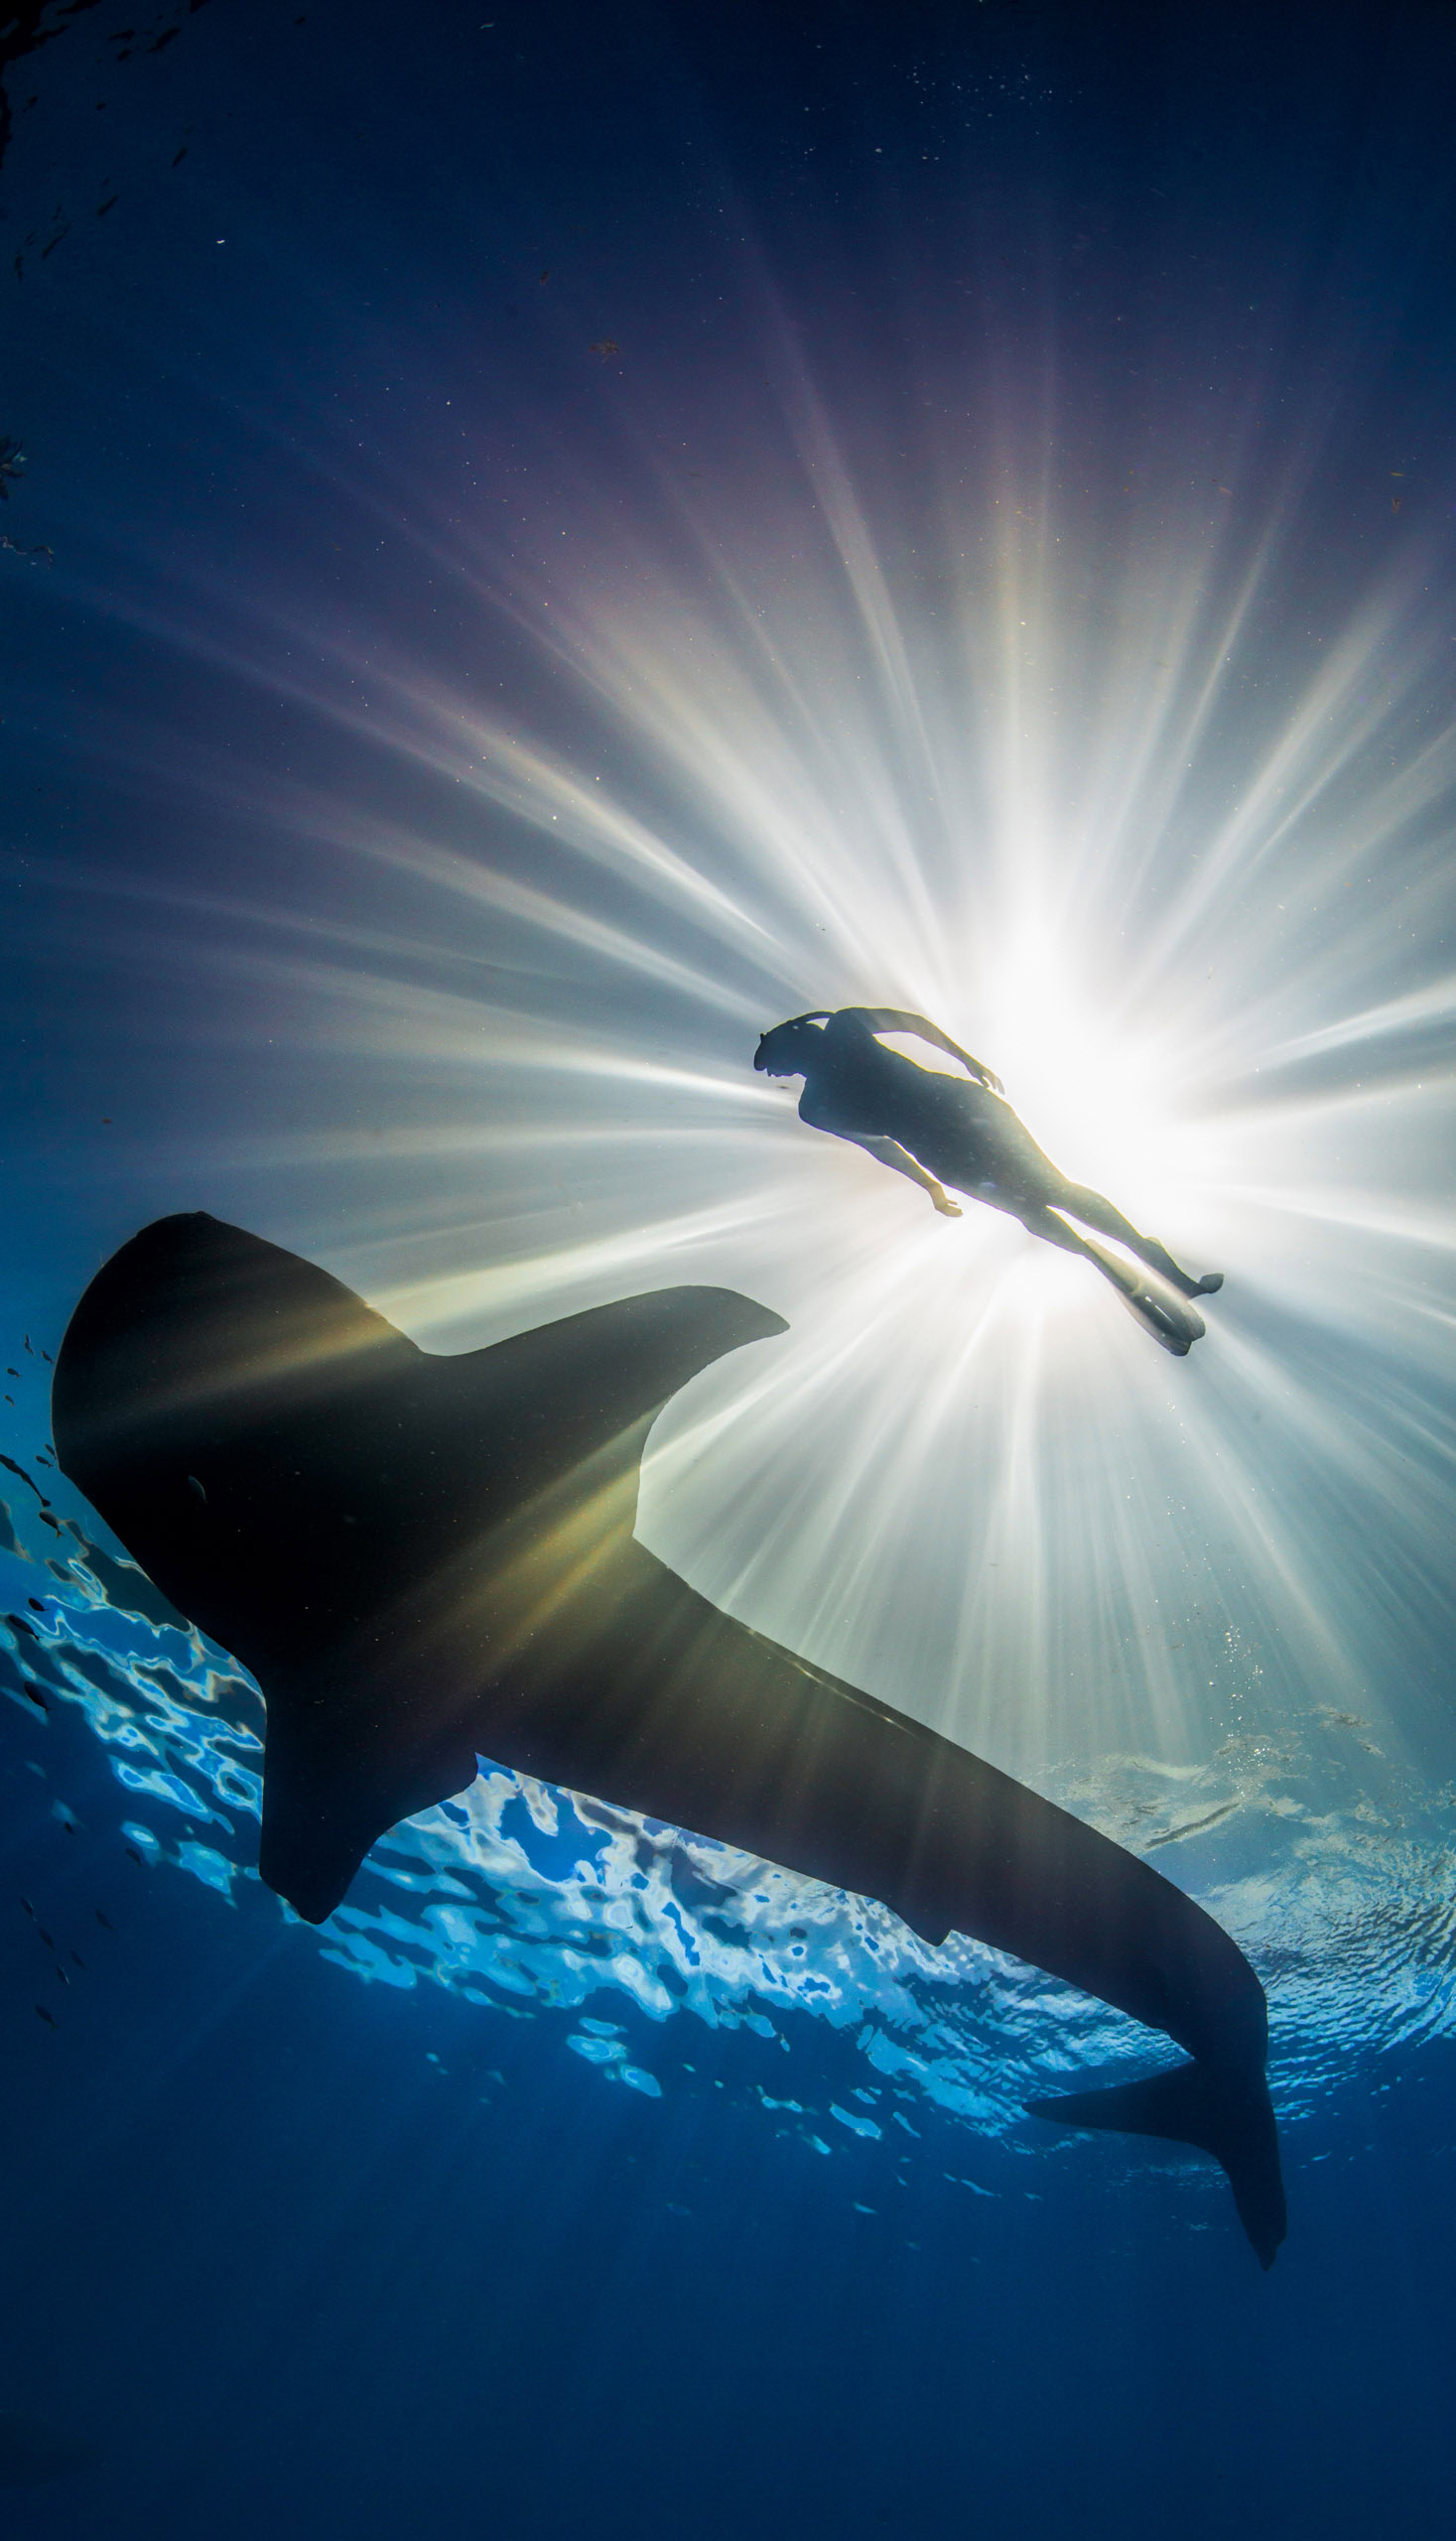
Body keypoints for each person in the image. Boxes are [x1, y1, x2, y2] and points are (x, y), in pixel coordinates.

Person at [753, 1006, 1223, 1355]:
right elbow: (882, 1145)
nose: (776, 1072)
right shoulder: (818, 1098)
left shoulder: (839, 1045)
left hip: (960, 1122)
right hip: (948, 1137)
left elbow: (913, 1029)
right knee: (1037, 1203)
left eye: (774, 1061)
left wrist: (966, 1059)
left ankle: (1152, 1262)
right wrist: (932, 1186)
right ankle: (1106, 1257)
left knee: (1051, 1190)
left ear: (795, 1041)